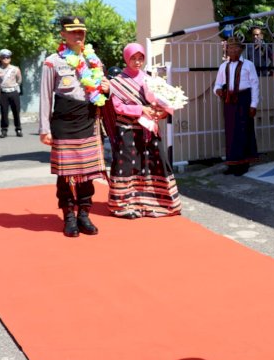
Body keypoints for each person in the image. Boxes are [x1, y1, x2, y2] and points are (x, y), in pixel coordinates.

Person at [39, 15, 110, 237]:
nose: (78, 35)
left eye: (81, 32)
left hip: (89, 121)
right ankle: (69, 216)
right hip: (64, 123)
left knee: (88, 174)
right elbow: (45, 97)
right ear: (63, 34)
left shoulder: (93, 59)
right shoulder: (53, 61)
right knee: (66, 175)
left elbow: (103, 88)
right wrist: (44, 128)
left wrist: (108, 88)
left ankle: (84, 215)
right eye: (73, 32)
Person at [104, 43, 182, 218]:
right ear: (126, 58)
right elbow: (118, 107)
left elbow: (160, 101)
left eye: (141, 58)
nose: (137, 62)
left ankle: (154, 203)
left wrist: (161, 111)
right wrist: (142, 110)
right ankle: (123, 205)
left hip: (148, 129)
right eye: (133, 58)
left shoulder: (150, 79)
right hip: (127, 129)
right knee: (128, 166)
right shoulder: (117, 82)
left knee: (152, 164)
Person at [213, 37, 260, 176]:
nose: (232, 50)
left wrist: (253, 104)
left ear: (241, 49)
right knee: (231, 132)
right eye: (230, 47)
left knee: (244, 130)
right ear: (227, 49)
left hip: (244, 99)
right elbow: (217, 84)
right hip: (229, 100)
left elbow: (255, 84)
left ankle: (244, 163)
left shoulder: (248, 65)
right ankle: (232, 163)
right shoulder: (223, 66)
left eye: (236, 47)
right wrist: (218, 90)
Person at [0, 49, 23, 138]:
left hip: (13, 92)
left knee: (16, 111)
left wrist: (14, 86)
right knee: (4, 112)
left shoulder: (15, 69)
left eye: (8, 57)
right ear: (0, 59)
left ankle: (18, 129)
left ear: (10, 58)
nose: (6, 59)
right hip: (3, 93)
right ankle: (4, 130)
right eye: (3, 57)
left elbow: (19, 80)